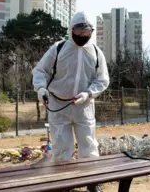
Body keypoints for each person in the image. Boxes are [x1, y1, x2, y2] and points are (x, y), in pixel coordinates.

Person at [32, 11, 109, 192]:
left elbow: (102, 80)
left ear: (91, 31)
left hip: (84, 106)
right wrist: (41, 89)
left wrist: (88, 94)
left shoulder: (97, 53)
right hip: (58, 105)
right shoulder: (58, 49)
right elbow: (40, 71)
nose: (82, 35)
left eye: (86, 32)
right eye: (78, 31)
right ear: (71, 30)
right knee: (61, 146)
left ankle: (92, 181)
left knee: (89, 144)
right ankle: (63, 183)